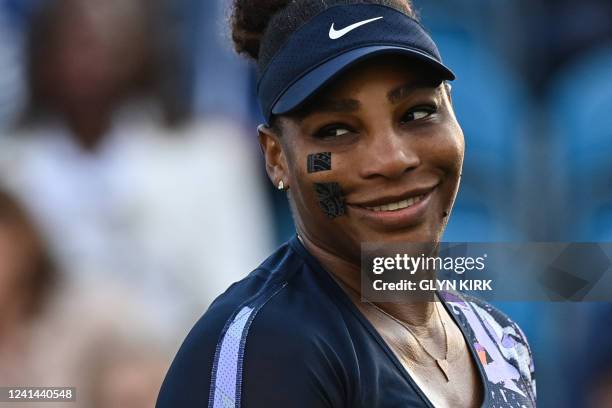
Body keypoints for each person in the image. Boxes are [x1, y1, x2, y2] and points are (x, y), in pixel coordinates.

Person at [157, 0, 536, 407]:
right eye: (336, 130)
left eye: (417, 113)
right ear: (276, 157)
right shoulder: (271, 347)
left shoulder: (501, 342)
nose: (392, 159)